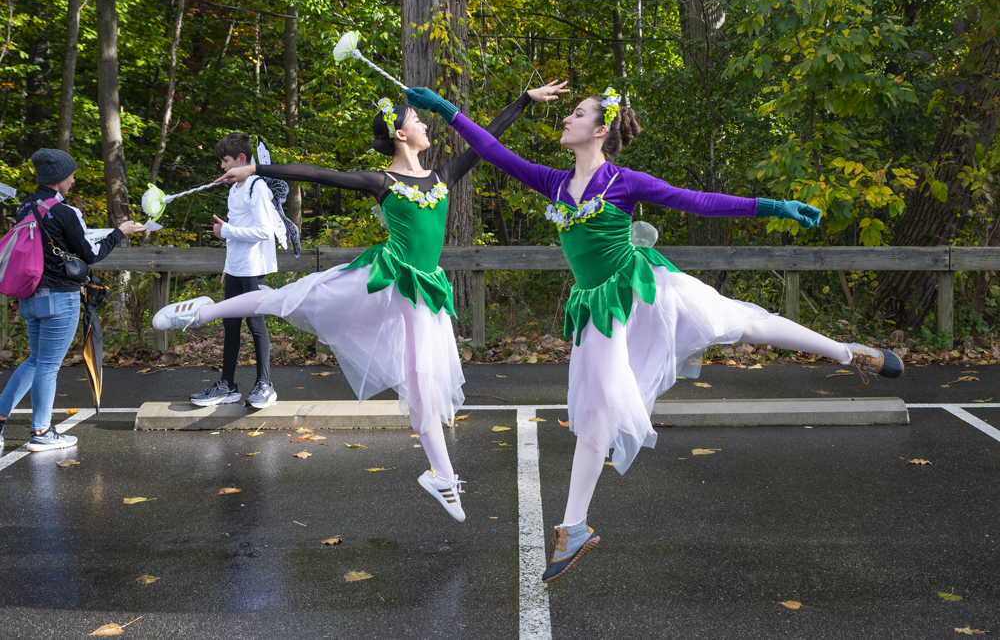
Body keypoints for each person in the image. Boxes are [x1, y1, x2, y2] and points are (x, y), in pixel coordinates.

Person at [405, 85, 904, 581]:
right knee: (596, 409)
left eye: (576, 115)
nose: (565, 120)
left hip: (640, 290)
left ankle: (848, 353)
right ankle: (574, 527)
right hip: (599, 309)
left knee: (742, 321)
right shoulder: (552, 182)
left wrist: (770, 206)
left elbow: (699, 201)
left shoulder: (623, 181)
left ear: (600, 129)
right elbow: (493, 151)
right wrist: (447, 111)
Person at [152, 82, 569, 521]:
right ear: (401, 135)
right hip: (384, 277)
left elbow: (486, 140)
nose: (426, 123)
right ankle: (201, 311)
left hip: (424, 295)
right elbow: (316, 173)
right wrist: (255, 170)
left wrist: (523, 99)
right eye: (417, 120)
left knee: (424, 388)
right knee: (290, 297)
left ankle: (442, 476)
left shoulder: (441, 177)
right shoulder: (383, 181)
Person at [0, 149, 145, 451]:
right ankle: (41, 433)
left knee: (36, 360)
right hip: (59, 298)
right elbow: (90, 254)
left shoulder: (26, 207)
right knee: (49, 366)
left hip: (29, 294)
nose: (74, 178)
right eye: (71, 174)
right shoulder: (66, 212)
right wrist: (118, 233)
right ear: (59, 178)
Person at [180, 133, 280, 410]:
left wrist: (226, 231)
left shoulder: (256, 187)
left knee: (255, 324)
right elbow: (236, 233)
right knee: (230, 325)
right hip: (236, 268)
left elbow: (263, 231)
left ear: (241, 159)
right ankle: (227, 385)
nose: (222, 167)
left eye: (225, 161)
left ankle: (265, 385)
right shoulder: (234, 188)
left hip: (254, 268)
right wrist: (228, 266)